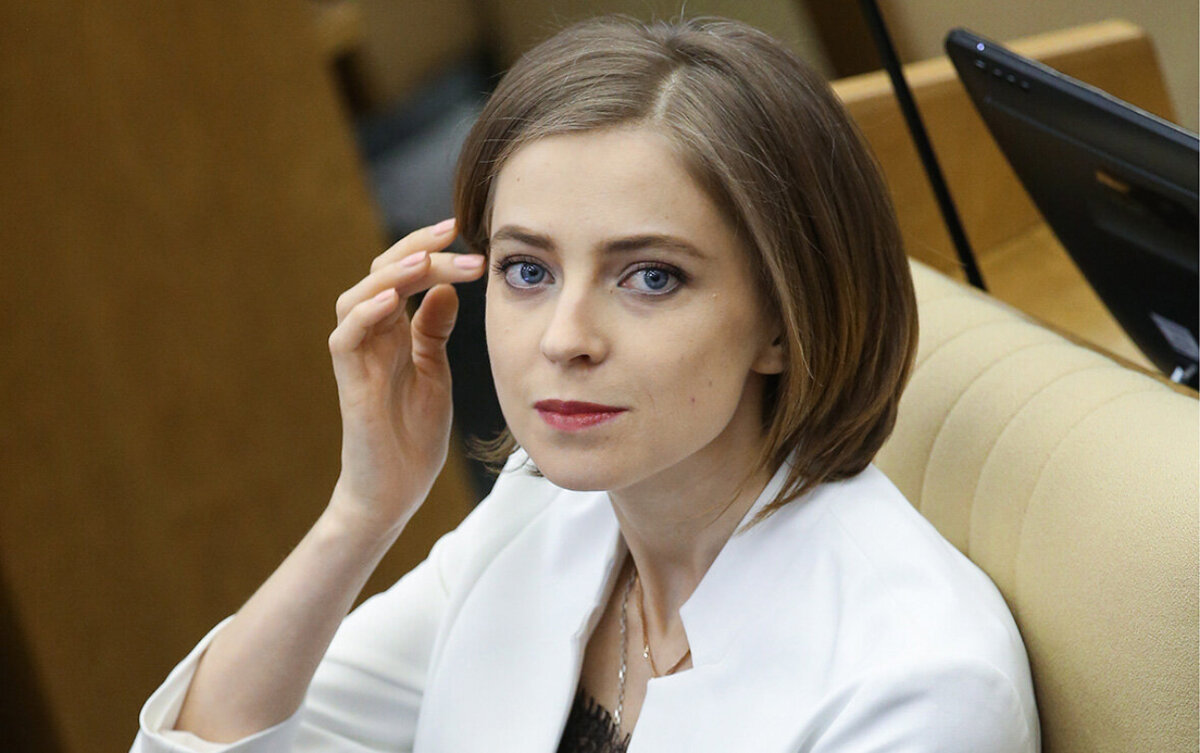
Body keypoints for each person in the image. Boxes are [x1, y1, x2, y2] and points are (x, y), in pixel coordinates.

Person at [131, 15, 1039, 753]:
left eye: (650, 277)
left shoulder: (917, 682)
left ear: (781, 318)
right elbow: (207, 743)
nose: (565, 338)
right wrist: (362, 512)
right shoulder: (540, 516)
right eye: (527, 270)